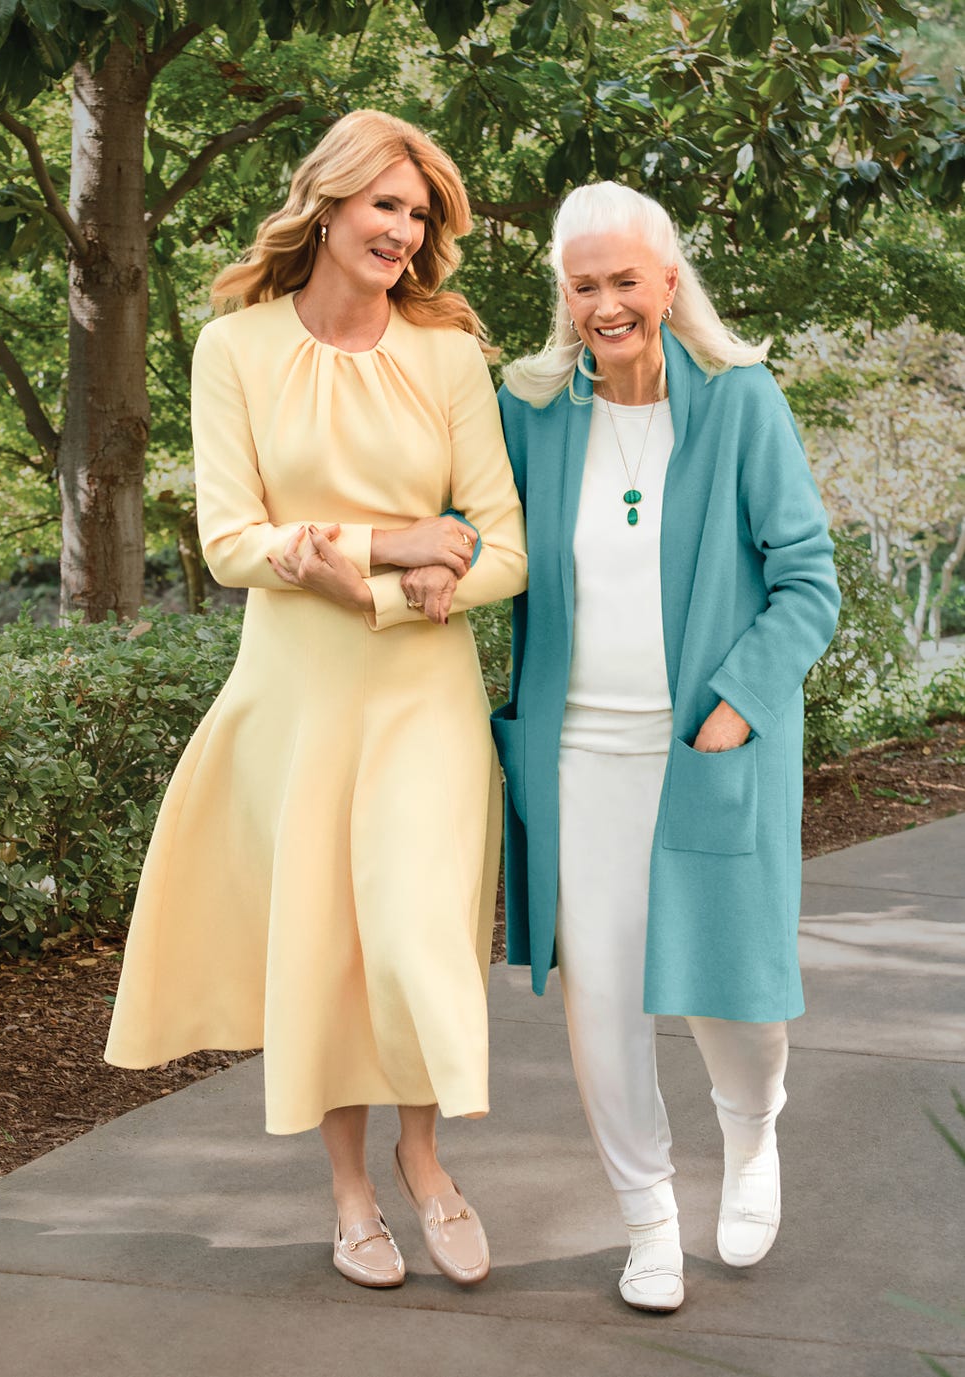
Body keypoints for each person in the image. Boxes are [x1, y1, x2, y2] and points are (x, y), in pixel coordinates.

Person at [105, 109, 527, 1291]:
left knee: (411, 933)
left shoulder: (446, 357)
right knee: (327, 950)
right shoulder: (232, 348)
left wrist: (384, 594)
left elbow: (501, 551)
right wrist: (394, 540)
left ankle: (426, 1161)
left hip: (421, 695)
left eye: (418, 213)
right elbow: (234, 541)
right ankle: (350, 1194)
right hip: (293, 698)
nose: (401, 229)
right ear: (327, 205)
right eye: (384, 204)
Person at [491, 182, 839, 1312]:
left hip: (701, 745)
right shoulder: (531, 410)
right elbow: (482, 535)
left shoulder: (738, 402)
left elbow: (805, 582)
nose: (604, 305)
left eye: (623, 281)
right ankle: (646, 1219)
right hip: (577, 752)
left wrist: (733, 704)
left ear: (666, 281)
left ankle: (751, 1133)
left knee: (727, 993)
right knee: (602, 994)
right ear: (564, 294)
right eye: (583, 285)